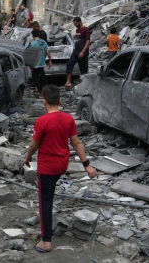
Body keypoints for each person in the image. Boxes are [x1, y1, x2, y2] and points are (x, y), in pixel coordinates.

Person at [23, 85, 98, 253]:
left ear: (44, 101)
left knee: (45, 202)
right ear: (60, 100)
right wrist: (87, 165)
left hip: (47, 168)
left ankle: (46, 241)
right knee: (49, 195)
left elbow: (33, 145)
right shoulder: (68, 119)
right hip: (61, 165)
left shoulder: (41, 121)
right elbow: (76, 143)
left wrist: (27, 159)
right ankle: (47, 234)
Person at [65, 17, 90, 88]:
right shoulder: (77, 30)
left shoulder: (86, 30)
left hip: (82, 53)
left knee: (83, 70)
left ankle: (85, 84)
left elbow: (88, 42)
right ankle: (68, 82)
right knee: (69, 64)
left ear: (79, 22)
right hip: (76, 52)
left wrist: (82, 52)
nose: (75, 25)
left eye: (75, 23)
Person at [30, 29, 52, 97]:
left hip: (35, 64)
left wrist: (30, 64)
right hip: (42, 63)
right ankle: (46, 90)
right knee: (43, 76)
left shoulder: (33, 44)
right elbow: (48, 52)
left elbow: (31, 55)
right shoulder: (44, 42)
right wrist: (50, 61)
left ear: (33, 35)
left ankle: (41, 93)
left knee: (35, 78)